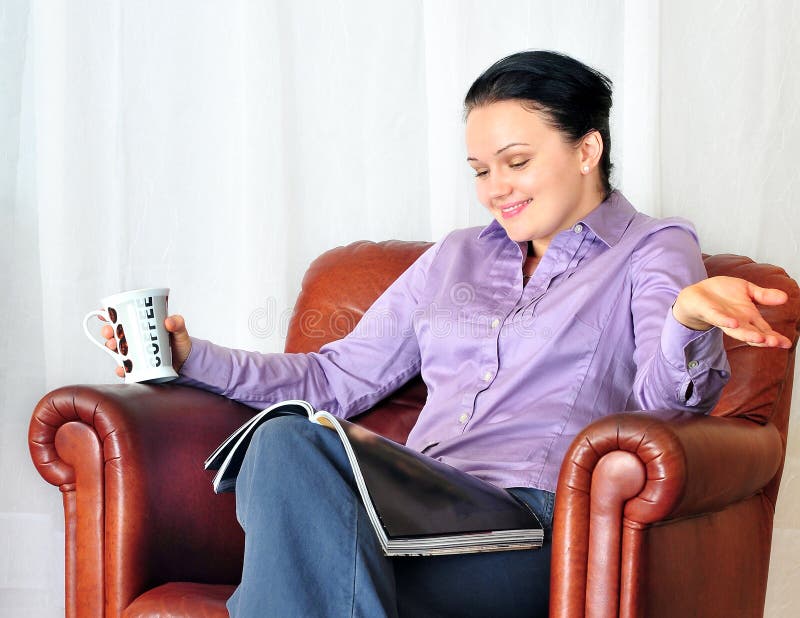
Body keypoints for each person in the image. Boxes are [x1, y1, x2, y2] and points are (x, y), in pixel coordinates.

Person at [103, 50, 790, 617]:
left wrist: (685, 320)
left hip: (525, 531)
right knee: (284, 440)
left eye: (516, 161)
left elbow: (667, 406)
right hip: (403, 515)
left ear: (588, 149)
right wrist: (190, 357)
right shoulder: (455, 256)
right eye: (481, 170)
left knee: (282, 575)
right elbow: (334, 379)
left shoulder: (652, 248)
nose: (496, 189)